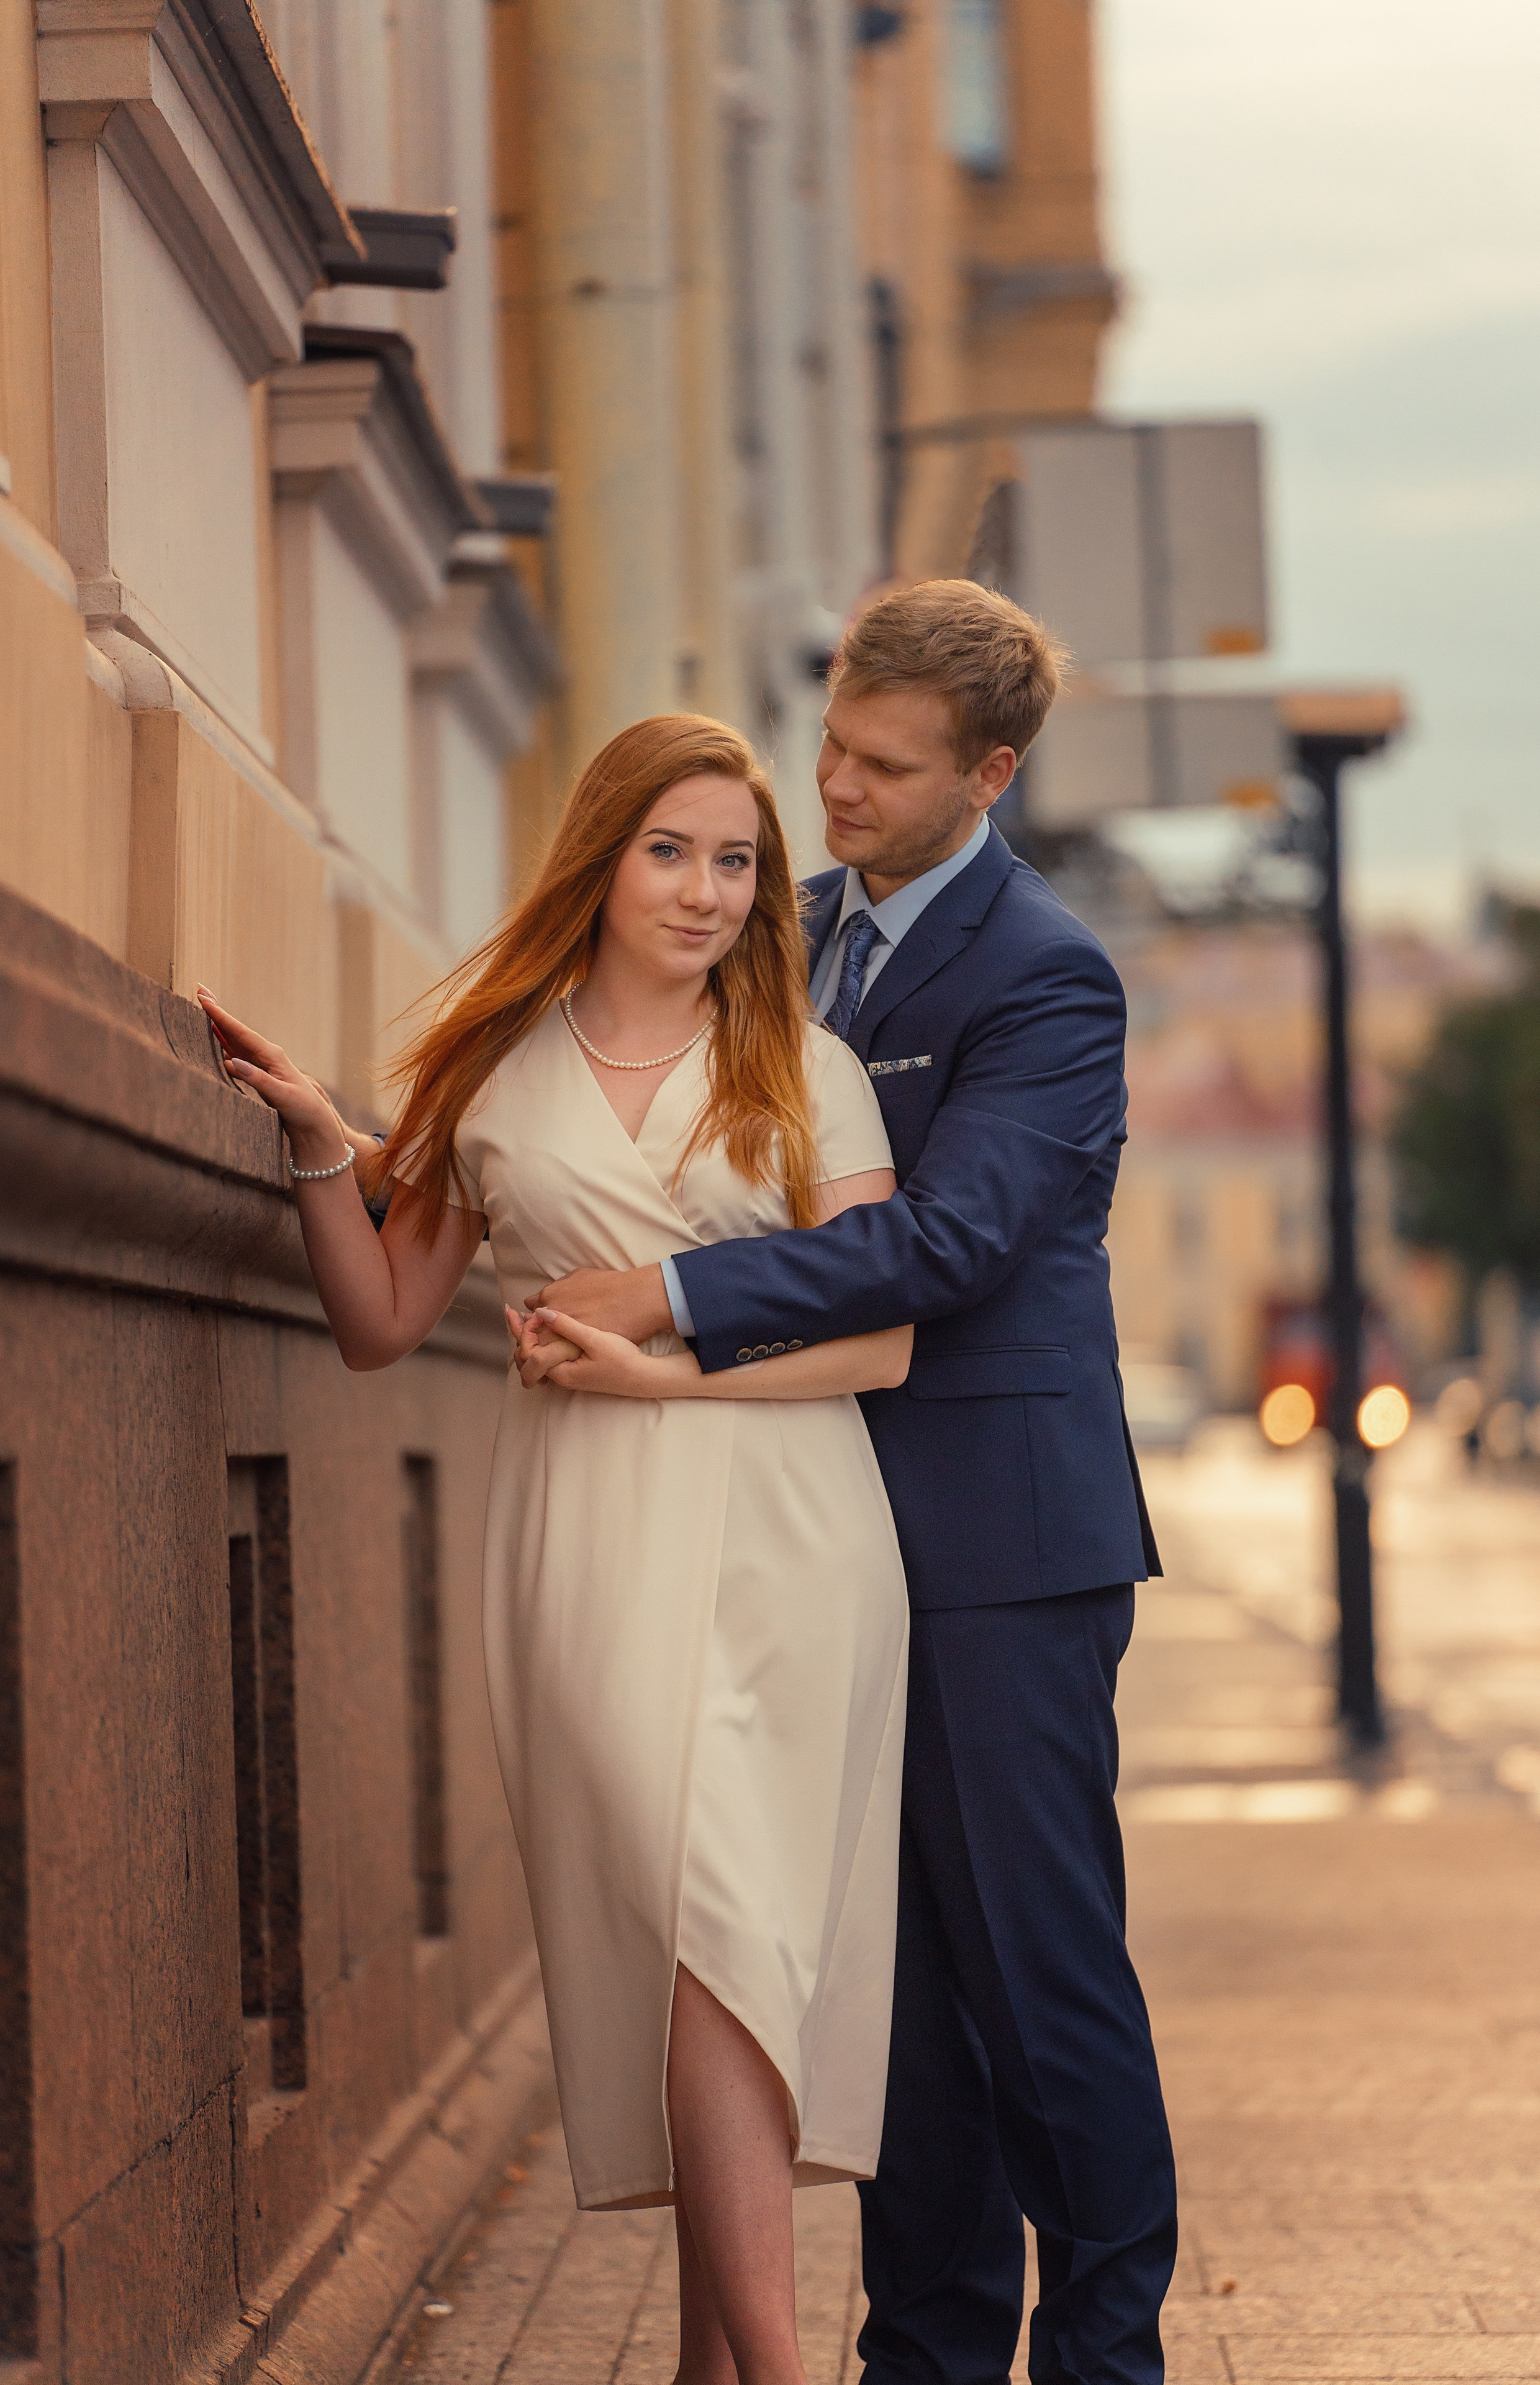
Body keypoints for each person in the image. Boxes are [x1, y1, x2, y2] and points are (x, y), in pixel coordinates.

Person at [197, 714, 912, 2385]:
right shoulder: (492, 1068)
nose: (708, 891)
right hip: (587, 1537)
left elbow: (885, 1347)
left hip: (800, 1537)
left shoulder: (807, 1070)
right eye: (673, 850)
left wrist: (664, 1367)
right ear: (600, 856)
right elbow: (382, 1322)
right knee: (699, 1922)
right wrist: (320, 1148)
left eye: (738, 860)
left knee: (731, 1951)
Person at [516, 583, 1178, 2385]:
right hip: (802, 1542)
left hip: (997, 1542)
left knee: (1039, 1989)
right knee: (888, 2009)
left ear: (993, 772)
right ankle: (929, 2358)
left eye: (886, 766)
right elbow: (611, 1094)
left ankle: (1110, 2358)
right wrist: (376, 1153)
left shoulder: (1046, 973)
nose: (837, 787)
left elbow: (953, 1242)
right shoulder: (783, 935)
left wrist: (673, 1300)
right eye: (832, 744)